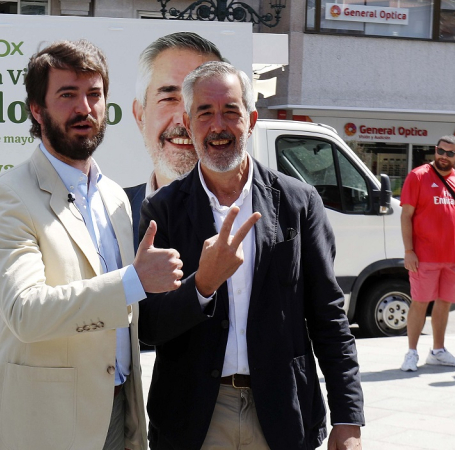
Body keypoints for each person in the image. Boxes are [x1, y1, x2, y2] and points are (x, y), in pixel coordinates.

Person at [138, 61, 364, 450]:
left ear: (252, 119)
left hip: (281, 410)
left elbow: (328, 314)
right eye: (205, 113)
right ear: (188, 126)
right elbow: (148, 327)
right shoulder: (163, 210)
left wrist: (348, 416)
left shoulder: (298, 202)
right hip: (194, 417)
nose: (218, 125)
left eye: (230, 111)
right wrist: (202, 286)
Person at [0, 40, 183, 450]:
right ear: (37, 109)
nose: (84, 108)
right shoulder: (7, 195)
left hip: (120, 410)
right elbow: (25, 312)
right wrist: (132, 282)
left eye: (94, 94)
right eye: (67, 95)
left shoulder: (115, 198)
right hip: (48, 425)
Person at [125, 32, 225, 249]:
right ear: (140, 115)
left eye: (202, 101)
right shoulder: (107, 218)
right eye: (169, 98)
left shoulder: (263, 214)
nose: (184, 118)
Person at [400, 135, 455, 372]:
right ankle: (411, 353)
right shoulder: (418, 176)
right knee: (420, 303)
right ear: (435, 150)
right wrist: (409, 251)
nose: (444, 156)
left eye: (450, 153)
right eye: (440, 151)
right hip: (423, 256)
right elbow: (406, 216)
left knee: (444, 304)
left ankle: (438, 351)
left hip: (452, 257)